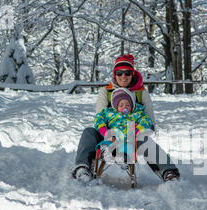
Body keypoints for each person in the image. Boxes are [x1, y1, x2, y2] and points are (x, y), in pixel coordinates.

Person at [72, 54, 180, 182]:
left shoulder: (141, 93)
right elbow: (99, 118)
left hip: (132, 134)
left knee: (145, 140)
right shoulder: (106, 92)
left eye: (127, 72)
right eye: (119, 72)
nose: (123, 76)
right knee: (89, 132)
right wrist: (107, 134)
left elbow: (150, 121)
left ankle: (168, 171)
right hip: (108, 135)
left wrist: (136, 132)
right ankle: (83, 167)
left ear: (132, 74)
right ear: (115, 74)